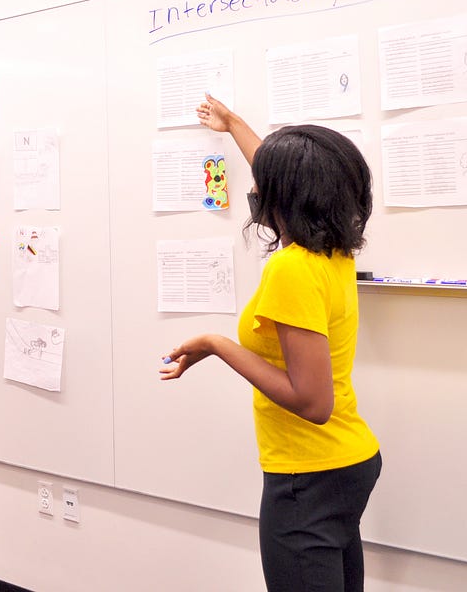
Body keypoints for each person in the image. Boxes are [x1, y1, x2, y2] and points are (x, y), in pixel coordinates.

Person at [160, 94, 381, 592]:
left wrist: (218, 344)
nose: (255, 187)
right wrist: (234, 124)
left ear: (287, 194)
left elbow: (312, 402)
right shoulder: (334, 250)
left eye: (264, 182)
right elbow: (288, 168)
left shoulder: (291, 268)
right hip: (346, 461)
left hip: (308, 475)